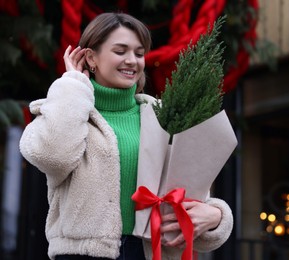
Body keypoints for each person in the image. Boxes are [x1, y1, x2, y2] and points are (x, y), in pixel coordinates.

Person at [19, 12, 233, 260]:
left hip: (150, 252)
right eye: (120, 51)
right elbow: (52, 156)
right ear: (91, 57)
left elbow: (193, 192)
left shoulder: (161, 116)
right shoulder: (65, 110)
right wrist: (73, 84)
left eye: (139, 53)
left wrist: (216, 216)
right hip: (83, 254)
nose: (132, 60)